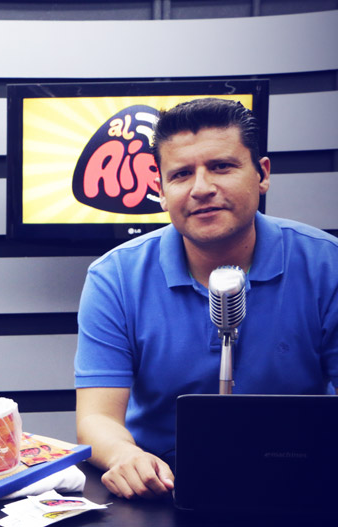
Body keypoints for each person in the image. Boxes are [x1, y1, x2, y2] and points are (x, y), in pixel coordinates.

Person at [74, 98, 338, 499]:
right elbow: (96, 417)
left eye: (222, 166)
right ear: (161, 191)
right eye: (181, 174)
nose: (201, 189)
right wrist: (125, 456)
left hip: (301, 481)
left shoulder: (326, 264)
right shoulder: (114, 277)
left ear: (262, 174)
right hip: (163, 487)